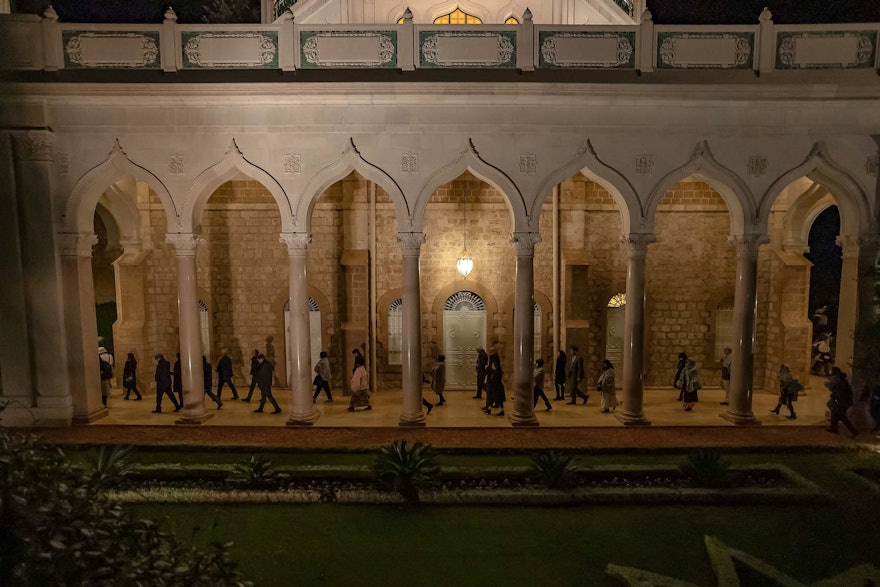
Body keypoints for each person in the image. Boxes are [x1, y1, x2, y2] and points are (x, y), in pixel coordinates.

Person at [825, 367, 858, 438]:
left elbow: (839, 392)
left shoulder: (838, 380)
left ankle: (854, 431)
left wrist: (836, 397)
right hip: (843, 401)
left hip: (843, 402)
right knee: (834, 414)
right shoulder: (841, 379)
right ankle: (834, 428)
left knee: (842, 416)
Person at [483, 347, 505, 416]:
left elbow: (495, 371)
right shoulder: (496, 359)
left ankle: (489, 409)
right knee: (497, 398)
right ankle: (495, 410)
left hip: (494, 383)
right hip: (496, 383)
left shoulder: (494, 360)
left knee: (492, 396)